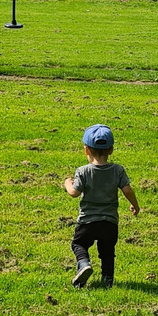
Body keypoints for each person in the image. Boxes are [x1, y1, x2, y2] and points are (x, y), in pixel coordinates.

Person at [63, 123, 140, 288]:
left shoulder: (83, 171)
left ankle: (84, 265)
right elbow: (127, 190)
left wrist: (67, 183)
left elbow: (74, 193)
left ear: (86, 150)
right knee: (107, 252)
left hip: (87, 222)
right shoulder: (118, 170)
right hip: (109, 222)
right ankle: (107, 281)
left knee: (78, 244)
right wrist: (135, 205)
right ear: (111, 150)